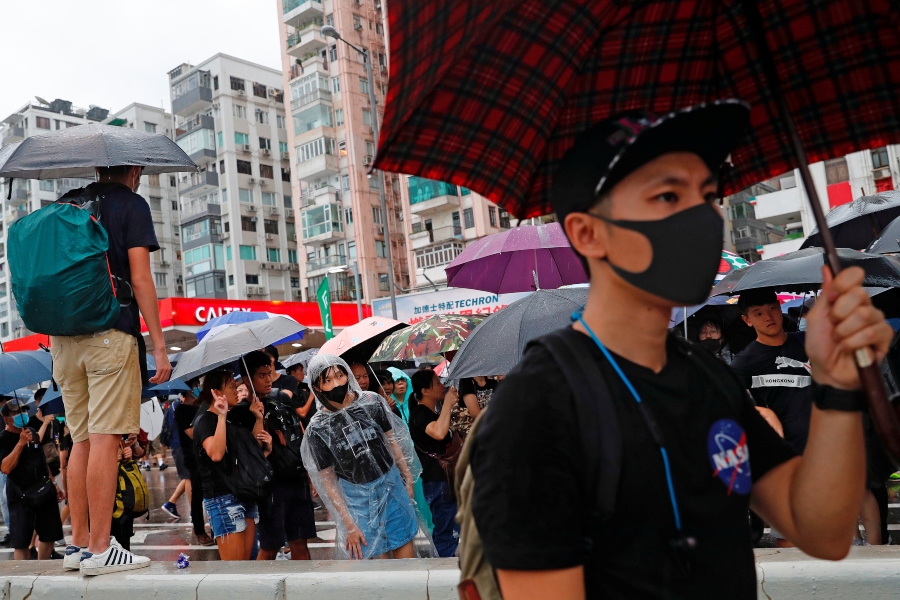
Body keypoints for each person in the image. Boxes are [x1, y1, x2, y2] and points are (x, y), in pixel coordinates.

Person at [467, 103, 894, 599]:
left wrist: (836, 384)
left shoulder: (708, 378)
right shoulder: (538, 407)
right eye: (669, 195)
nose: (703, 217)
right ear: (589, 233)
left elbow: (821, 530)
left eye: (708, 194)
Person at [51, 165, 171, 574]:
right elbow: (140, 278)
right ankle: (102, 549)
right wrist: (158, 345)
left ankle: (79, 544)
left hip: (63, 339)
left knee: (80, 439)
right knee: (104, 438)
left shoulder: (67, 203)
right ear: (134, 168)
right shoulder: (131, 205)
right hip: (110, 331)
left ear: (99, 167)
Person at [301, 354, 433, 560]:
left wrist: (407, 478)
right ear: (317, 388)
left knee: (405, 553)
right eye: (327, 380)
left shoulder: (371, 402)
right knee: (376, 561)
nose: (337, 383)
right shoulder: (317, 428)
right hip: (358, 499)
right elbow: (327, 480)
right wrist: (349, 524)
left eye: (339, 375)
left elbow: (392, 442)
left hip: (390, 486)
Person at [242, 351, 316, 561]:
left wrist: (310, 474)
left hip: (297, 479)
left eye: (269, 373)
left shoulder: (281, 397)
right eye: (261, 375)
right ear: (248, 379)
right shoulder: (241, 411)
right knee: (270, 546)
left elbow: (299, 433)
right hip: (271, 488)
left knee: (300, 544)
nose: (268, 379)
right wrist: (256, 417)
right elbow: (253, 453)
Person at [194, 367, 270, 560]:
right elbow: (216, 453)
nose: (236, 390)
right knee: (235, 571)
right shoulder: (206, 421)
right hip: (223, 499)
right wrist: (221, 416)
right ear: (216, 393)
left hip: (244, 494)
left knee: (248, 565)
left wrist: (258, 419)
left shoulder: (230, 419)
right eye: (231, 386)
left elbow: (251, 447)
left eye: (236, 385)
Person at [730, 289, 813, 455]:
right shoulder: (744, 363)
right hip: (790, 452)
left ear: (779, 306)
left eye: (771, 308)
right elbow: (726, 403)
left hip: (834, 441)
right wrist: (761, 413)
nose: (768, 317)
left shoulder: (810, 340)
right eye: (758, 313)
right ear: (747, 320)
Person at [0, 401, 65, 560]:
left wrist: (54, 483)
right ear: (6, 418)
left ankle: (41, 569)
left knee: (49, 536)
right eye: (16, 412)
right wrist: (21, 443)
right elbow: (6, 468)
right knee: (21, 542)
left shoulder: (32, 432)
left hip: (43, 490)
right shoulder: (3, 439)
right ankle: (23, 574)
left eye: (23, 410)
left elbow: (42, 460)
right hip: (20, 495)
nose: (21, 414)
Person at [409, 369, 460, 557]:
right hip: (438, 480)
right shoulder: (420, 413)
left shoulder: (432, 411)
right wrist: (447, 404)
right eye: (437, 383)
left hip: (447, 478)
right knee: (446, 528)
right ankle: (444, 568)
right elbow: (438, 433)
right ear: (425, 391)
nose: (442, 386)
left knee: (453, 526)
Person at [171, 387, 214, 546]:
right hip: (194, 457)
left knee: (214, 491)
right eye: (195, 385)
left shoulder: (201, 406)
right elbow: (192, 433)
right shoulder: (181, 409)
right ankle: (200, 531)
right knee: (198, 494)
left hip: (208, 454)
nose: (198, 388)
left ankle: (216, 529)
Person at [109, 432, 147, 551]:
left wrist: (128, 451)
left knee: (123, 536)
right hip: (105, 494)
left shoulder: (122, 427)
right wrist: (110, 459)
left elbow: (140, 452)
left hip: (122, 491)